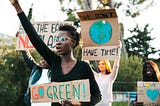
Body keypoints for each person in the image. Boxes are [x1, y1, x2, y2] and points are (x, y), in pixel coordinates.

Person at [10, 0, 102, 106]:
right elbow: (34, 37)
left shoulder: (84, 67)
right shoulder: (54, 62)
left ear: (72, 42)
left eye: (63, 39)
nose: (58, 42)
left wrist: (79, 104)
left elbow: (97, 96)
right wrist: (17, 6)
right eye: (57, 39)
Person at [92, 41, 121, 106]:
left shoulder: (111, 77)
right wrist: (84, 49)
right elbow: (87, 65)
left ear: (106, 65)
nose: (101, 65)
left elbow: (116, 66)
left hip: (106, 103)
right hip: (96, 103)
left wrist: (119, 49)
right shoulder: (96, 76)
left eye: (103, 64)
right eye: (99, 64)